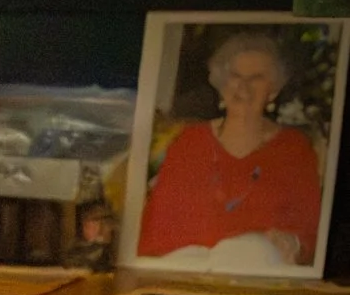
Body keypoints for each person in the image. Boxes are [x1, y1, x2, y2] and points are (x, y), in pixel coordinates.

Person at [136, 30, 322, 266]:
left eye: (257, 78)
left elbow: (309, 227)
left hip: (258, 272)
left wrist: (293, 242)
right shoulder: (189, 141)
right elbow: (158, 222)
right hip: (184, 268)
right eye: (235, 76)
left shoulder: (294, 148)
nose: (243, 87)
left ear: (273, 91)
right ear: (222, 85)